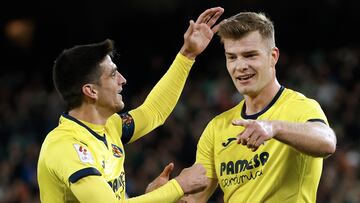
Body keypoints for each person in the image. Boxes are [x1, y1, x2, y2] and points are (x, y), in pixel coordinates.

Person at [37, 7, 224, 203]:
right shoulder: (65, 146)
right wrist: (179, 185)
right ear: (91, 91)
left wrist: (187, 55)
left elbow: (153, 111)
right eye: (112, 74)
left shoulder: (111, 127)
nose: (123, 79)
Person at [183, 12, 337, 202]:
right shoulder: (217, 127)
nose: (240, 66)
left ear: (273, 56)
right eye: (232, 57)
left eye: (250, 55)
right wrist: (160, 196)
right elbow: (194, 199)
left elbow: (327, 141)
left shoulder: (300, 107)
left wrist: (274, 128)